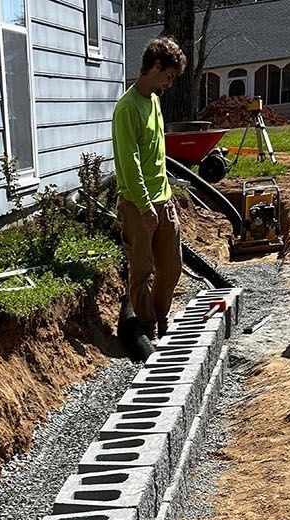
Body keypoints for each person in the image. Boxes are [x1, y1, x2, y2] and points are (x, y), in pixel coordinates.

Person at [113, 36, 186, 344]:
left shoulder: (153, 100)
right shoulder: (127, 109)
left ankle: (159, 314)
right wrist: (145, 207)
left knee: (171, 267)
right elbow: (129, 164)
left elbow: (155, 153)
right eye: (168, 76)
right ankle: (148, 330)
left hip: (163, 198)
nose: (169, 83)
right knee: (142, 271)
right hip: (137, 204)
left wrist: (165, 193)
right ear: (156, 66)